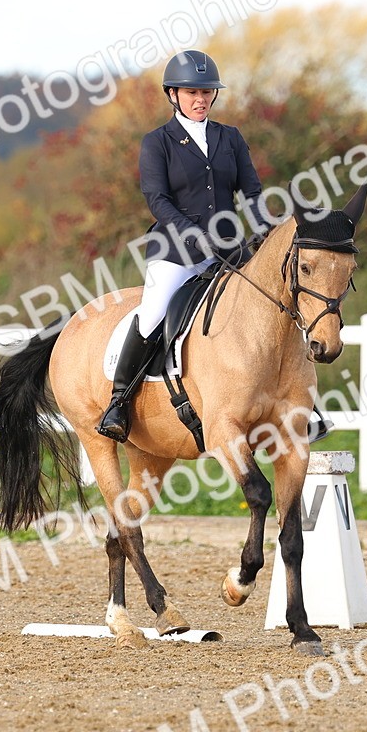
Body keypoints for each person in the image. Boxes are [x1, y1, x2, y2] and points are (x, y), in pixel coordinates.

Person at [97, 49, 263, 442]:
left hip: (228, 250)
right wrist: (196, 235)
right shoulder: (159, 142)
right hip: (176, 252)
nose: (200, 99)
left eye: (206, 92)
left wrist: (263, 230)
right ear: (173, 94)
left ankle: (298, 404)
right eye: (191, 92)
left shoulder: (230, 138)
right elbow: (157, 200)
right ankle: (119, 402)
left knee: (271, 306)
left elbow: (251, 191)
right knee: (153, 314)